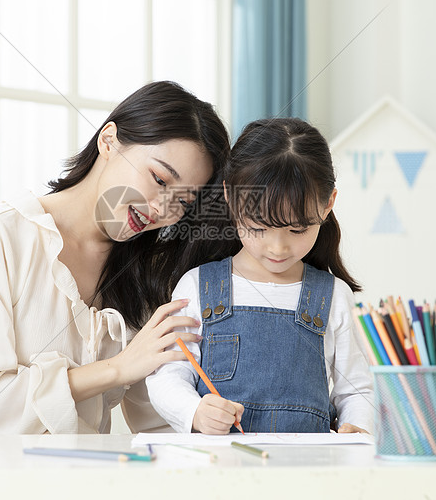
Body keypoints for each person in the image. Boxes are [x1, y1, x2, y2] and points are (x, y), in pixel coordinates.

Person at [0, 81, 231, 457]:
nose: (161, 208)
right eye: (158, 179)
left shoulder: (147, 277)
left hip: (80, 484)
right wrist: (117, 369)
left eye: (183, 202)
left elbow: (155, 417)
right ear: (109, 141)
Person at [146, 117, 374, 434]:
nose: (277, 247)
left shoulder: (334, 296)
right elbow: (168, 374)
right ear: (229, 197)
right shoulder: (198, 286)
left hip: (308, 470)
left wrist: (357, 427)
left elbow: (357, 389)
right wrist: (194, 411)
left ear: (327, 205)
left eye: (297, 229)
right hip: (220, 468)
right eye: (258, 227)